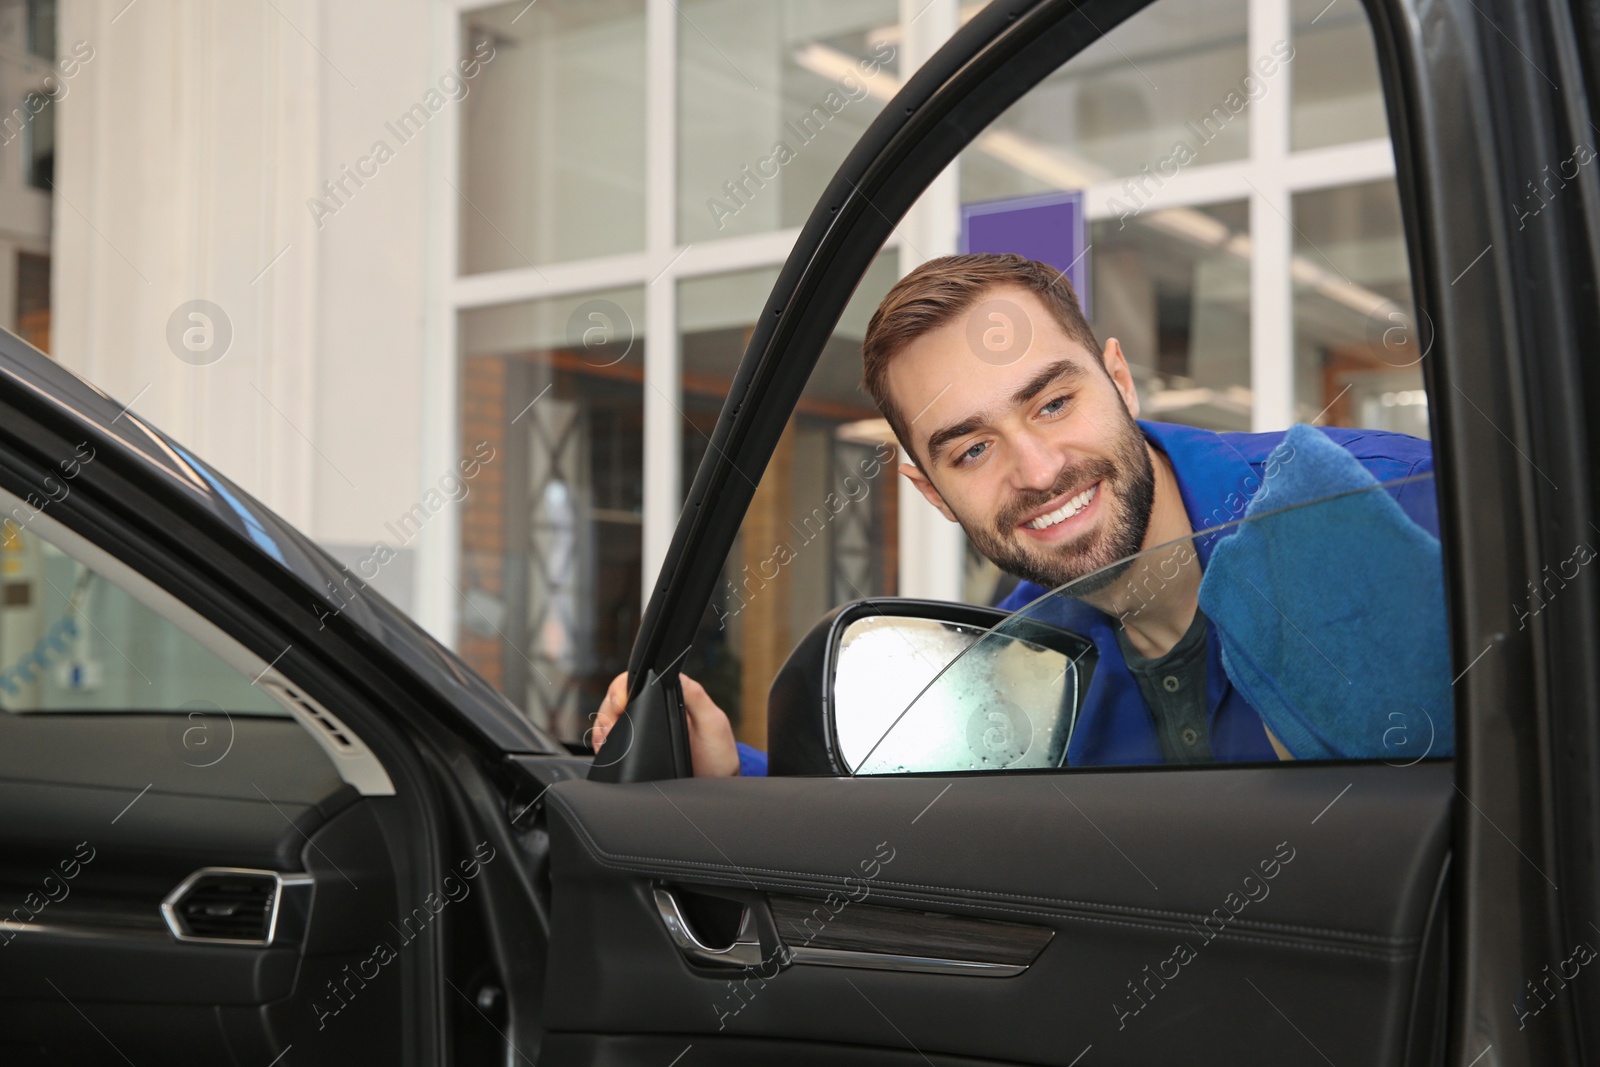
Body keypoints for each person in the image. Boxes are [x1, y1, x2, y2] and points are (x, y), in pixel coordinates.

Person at [593, 253, 1439, 774]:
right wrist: (727, 779)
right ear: (931, 492)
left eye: (1052, 403)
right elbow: (902, 840)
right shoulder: (1013, 659)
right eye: (970, 450)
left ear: (1120, 380)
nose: (1037, 470)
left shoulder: (1395, 510)